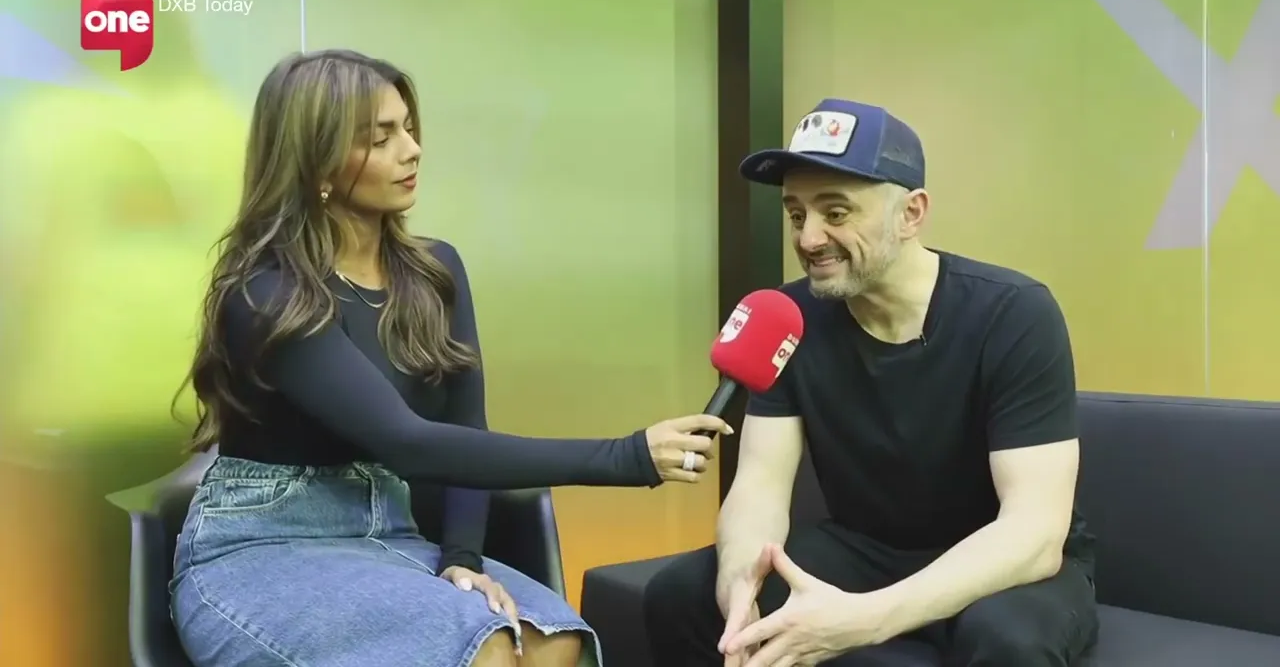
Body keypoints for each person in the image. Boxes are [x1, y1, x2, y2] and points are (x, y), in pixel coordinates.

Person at [168, 49, 731, 667]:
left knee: (553, 642)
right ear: (317, 163)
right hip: (263, 548)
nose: (411, 150)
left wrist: (462, 558)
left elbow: (466, 428)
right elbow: (408, 442)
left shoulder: (435, 271)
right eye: (381, 138)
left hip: (390, 532)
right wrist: (628, 456)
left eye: (409, 129)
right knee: (484, 648)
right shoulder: (267, 294)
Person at [642, 99, 1098, 667]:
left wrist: (865, 619)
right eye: (796, 214)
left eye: (836, 213)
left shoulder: (1013, 313)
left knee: (1009, 643)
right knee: (682, 597)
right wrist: (739, 584)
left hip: (1000, 558)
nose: (809, 238)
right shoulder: (788, 319)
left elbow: (1034, 531)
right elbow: (759, 485)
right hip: (867, 548)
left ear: (911, 214)